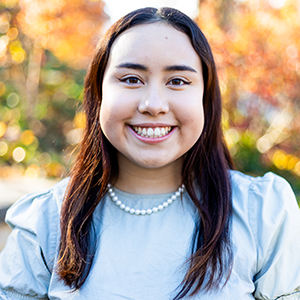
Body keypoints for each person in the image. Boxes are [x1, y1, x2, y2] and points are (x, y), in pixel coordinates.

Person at [0, 6, 300, 300]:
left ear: (205, 100)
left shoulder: (263, 214)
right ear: (98, 94)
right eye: (131, 79)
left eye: (178, 81)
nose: (153, 104)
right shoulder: (47, 222)